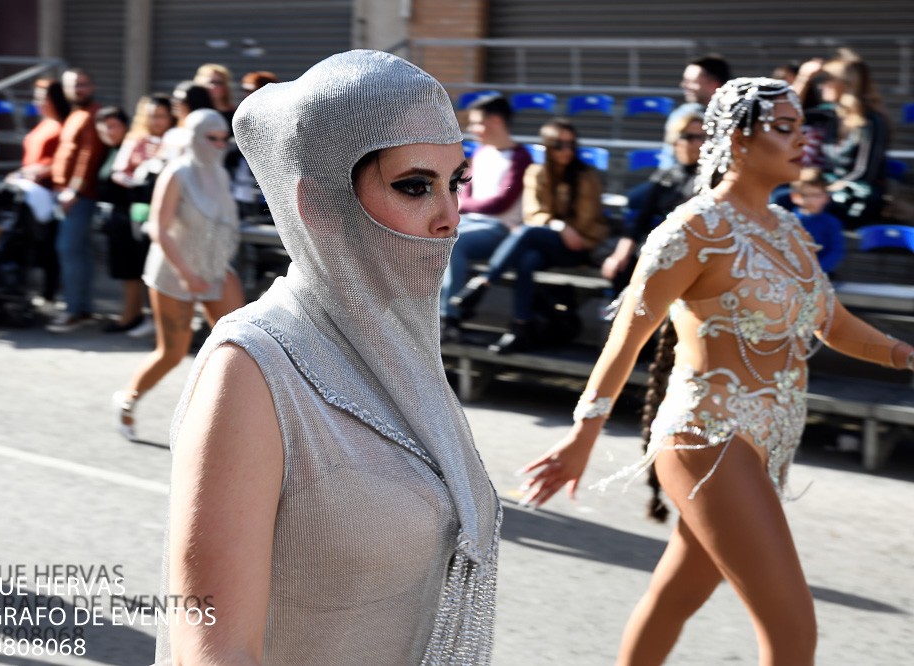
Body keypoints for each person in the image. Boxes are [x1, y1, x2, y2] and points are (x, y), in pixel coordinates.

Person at [517, 78, 914, 666]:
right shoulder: (694, 229)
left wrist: (907, 356)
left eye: (803, 125)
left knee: (678, 591)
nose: (804, 138)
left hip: (766, 444)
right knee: (792, 630)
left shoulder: (789, 229)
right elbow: (628, 335)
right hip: (707, 438)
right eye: (784, 127)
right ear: (737, 139)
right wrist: (584, 433)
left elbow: (834, 324)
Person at [153, 50, 500, 665]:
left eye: (457, 183)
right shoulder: (251, 369)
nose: (449, 217)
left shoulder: (395, 346)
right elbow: (212, 648)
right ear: (317, 204)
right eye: (415, 186)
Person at [112, 108, 244, 441]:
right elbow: (158, 227)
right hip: (173, 269)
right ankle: (128, 400)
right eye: (211, 138)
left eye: (223, 138)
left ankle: (231, 419)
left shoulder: (220, 174)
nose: (219, 145)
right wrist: (186, 274)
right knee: (172, 351)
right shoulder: (177, 172)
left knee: (242, 343)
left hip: (213, 267)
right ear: (194, 138)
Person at [450, 118, 608, 353]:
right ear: (547, 146)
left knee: (526, 232)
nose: (567, 151)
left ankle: (483, 283)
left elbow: (584, 223)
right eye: (559, 145)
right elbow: (533, 212)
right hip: (548, 242)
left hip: (579, 245)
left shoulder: (586, 176)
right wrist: (557, 225)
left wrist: (561, 228)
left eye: (571, 145)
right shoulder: (537, 172)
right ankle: (520, 328)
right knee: (527, 260)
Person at [440, 94, 532, 341]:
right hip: (472, 222)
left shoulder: (521, 156)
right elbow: (465, 188)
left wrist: (463, 206)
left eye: (477, 122)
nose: (472, 129)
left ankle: (449, 316)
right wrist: (462, 205)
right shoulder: (481, 153)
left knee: (453, 241)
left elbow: (501, 201)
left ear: (495, 122)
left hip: (501, 228)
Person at [601, 106, 705, 295]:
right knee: (622, 266)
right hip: (659, 246)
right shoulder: (666, 176)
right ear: (675, 142)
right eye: (690, 137)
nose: (698, 143)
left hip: (691, 248)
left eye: (702, 137)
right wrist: (619, 254)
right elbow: (642, 216)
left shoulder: (709, 177)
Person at [105, 94, 175, 337]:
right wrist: (139, 179)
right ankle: (141, 315)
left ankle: (161, 320)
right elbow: (119, 172)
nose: (157, 121)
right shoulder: (136, 140)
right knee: (138, 268)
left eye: (162, 116)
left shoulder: (175, 139)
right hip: (138, 211)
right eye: (152, 116)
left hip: (169, 212)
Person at [47, 68, 106, 333]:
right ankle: (78, 307)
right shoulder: (75, 114)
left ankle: (74, 310)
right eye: (74, 85)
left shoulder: (92, 113)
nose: (79, 89)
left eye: (83, 84)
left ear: (91, 86)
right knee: (74, 252)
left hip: (78, 196)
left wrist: (75, 189)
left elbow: (88, 155)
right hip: (65, 193)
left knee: (69, 250)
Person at [6, 79, 71, 302]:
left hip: (47, 194)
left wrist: (40, 171)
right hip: (28, 191)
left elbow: (61, 160)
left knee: (48, 246)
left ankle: (50, 291)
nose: (38, 102)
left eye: (43, 98)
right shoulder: (43, 123)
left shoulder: (64, 126)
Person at [808, 52, 890, 228]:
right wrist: (803, 77)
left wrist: (829, 189)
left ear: (846, 84)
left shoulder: (872, 121)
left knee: (810, 207)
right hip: (828, 188)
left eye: (827, 79)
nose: (821, 85)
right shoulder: (830, 114)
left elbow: (865, 171)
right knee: (784, 198)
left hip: (856, 192)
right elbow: (792, 115)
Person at [657, 54, 731, 170]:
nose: (683, 85)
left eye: (691, 82)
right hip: (675, 179)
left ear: (714, 85)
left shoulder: (733, 117)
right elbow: (669, 161)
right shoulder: (682, 114)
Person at [230, 71, 279, 217]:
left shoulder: (277, 119)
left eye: (251, 90)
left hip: (268, 195)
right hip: (242, 192)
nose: (247, 95)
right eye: (244, 90)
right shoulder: (242, 116)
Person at [790, 167, 845, 275]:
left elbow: (836, 251)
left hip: (820, 276)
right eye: (807, 195)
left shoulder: (831, 223)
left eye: (817, 195)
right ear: (796, 196)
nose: (812, 200)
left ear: (826, 197)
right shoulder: (788, 221)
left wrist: (817, 270)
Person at [158, 81, 212, 163]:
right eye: (173, 98)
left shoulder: (209, 133)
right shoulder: (172, 133)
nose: (174, 103)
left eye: (180, 100)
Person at [194, 63, 237, 129]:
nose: (216, 86)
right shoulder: (193, 111)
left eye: (220, 82)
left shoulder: (235, 114)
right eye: (212, 82)